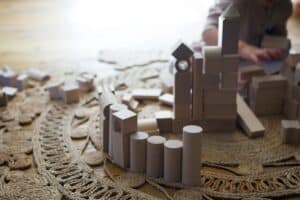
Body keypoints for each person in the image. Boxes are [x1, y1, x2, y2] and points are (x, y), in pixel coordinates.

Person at [202, 0, 293, 64]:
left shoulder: (285, 6)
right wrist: (243, 49)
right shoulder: (236, 2)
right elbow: (208, 33)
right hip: (214, 58)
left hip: (253, 62)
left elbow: (277, 34)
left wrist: (277, 48)